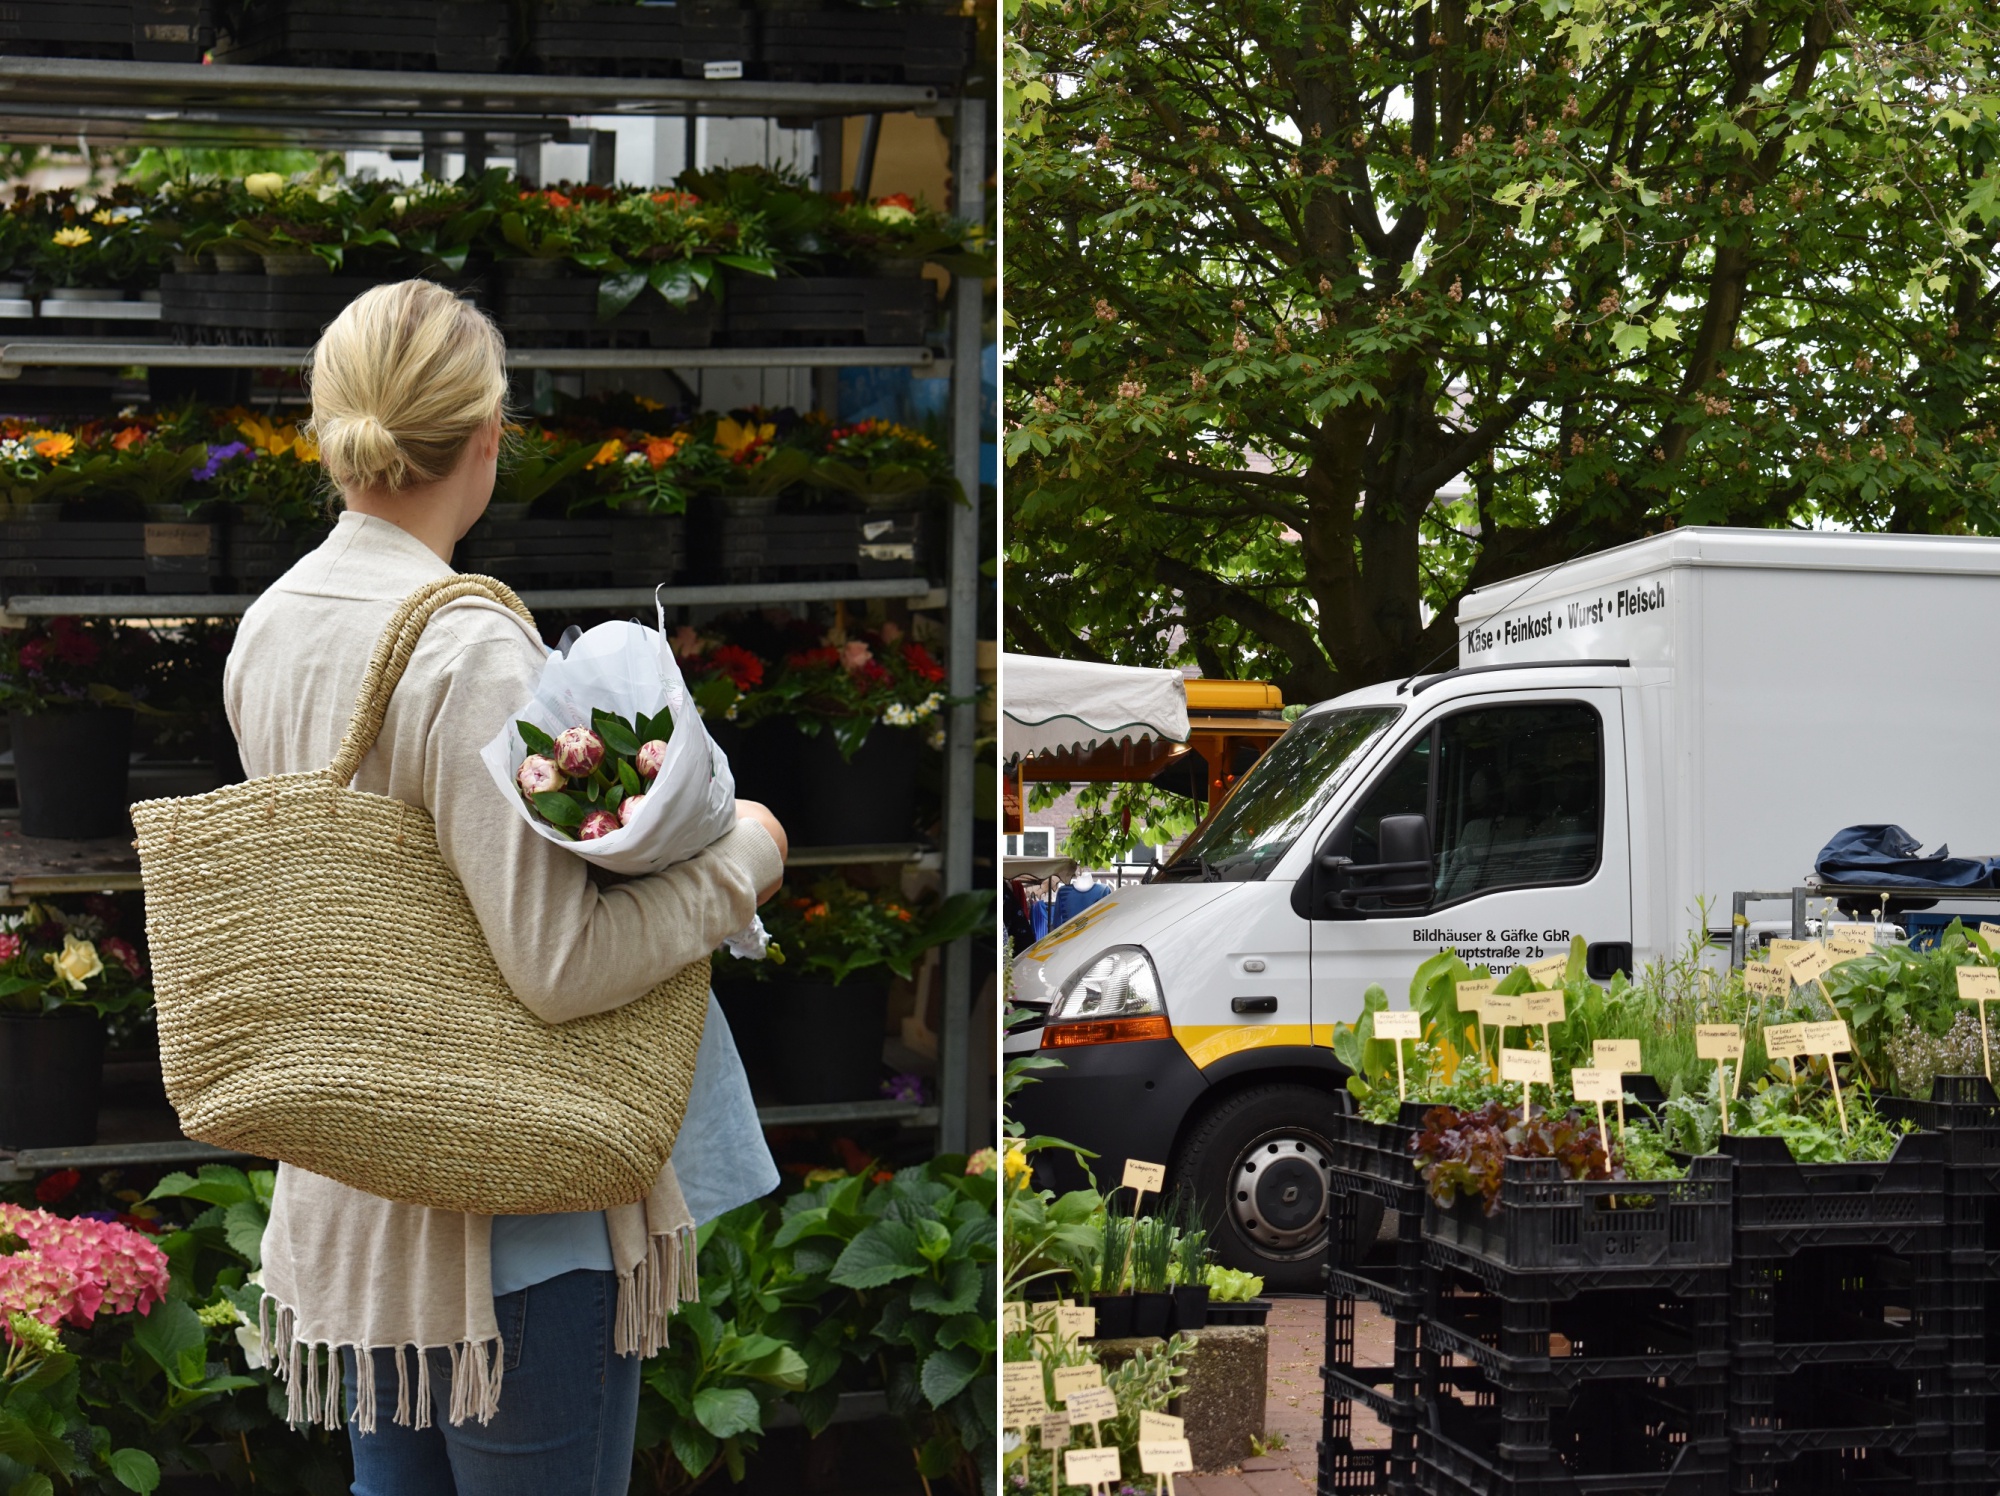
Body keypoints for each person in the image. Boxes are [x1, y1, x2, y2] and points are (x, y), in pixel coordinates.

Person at [222, 279, 788, 1495]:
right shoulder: (466, 644)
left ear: (331, 429)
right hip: (506, 1216)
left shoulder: (270, 625)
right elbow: (557, 963)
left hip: (363, 1191)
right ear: (488, 436)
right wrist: (745, 855)